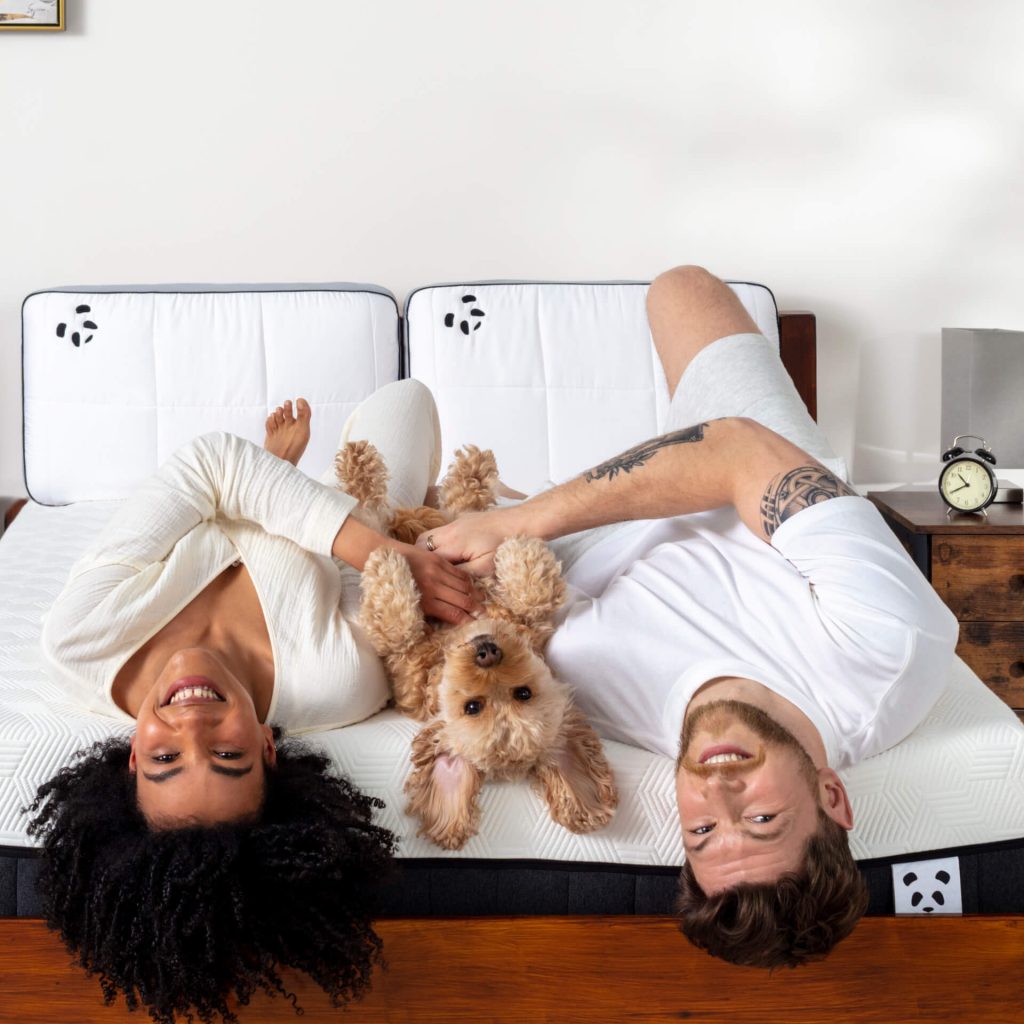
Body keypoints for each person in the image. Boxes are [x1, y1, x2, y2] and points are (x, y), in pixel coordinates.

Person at [416, 265, 959, 967]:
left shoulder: (590, 703)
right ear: (832, 797)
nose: (718, 791)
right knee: (681, 290)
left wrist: (493, 538)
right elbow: (734, 450)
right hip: (747, 490)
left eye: (703, 831)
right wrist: (523, 518)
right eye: (761, 820)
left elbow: (497, 628)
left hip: (588, 551)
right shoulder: (888, 645)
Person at [29, 383, 482, 1023]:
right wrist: (375, 539)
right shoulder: (335, 681)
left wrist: (259, 482)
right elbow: (391, 584)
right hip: (352, 517)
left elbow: (210, 459)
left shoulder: (79, 639)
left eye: (165, 758)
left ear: (131, 755)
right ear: (269, 746)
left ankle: (273, 478)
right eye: (225, 752)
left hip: (321, 525)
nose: (190, 722)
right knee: (408, 400)